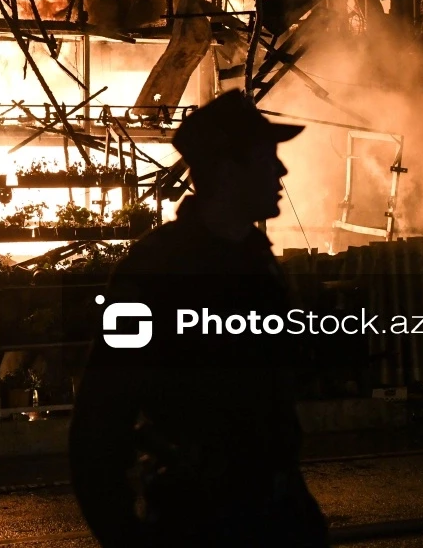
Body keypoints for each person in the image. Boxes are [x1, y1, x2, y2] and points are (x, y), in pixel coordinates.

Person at [69, 90, 328, 548]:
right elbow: (100, 421)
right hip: (199, 524)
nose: (282, 171)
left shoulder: (257, 263)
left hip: (277, 517)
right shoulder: (153, 271)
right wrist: (123, 535)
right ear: (228, 170)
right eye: (267, 158)